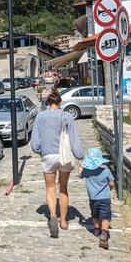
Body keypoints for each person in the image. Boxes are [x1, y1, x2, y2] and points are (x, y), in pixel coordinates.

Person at [30, 88, 84, 237]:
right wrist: (79, 155)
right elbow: (74, 138)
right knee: (63, 188)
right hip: (64, 156)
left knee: (50, 188)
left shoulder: (40, 117)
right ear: (60, 102)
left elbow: (35, 143)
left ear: (48, 103)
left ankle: (53, 216)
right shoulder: (66, 116)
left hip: (48, 155)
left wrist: (41, 150)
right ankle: (64, 221)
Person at [80, 147, 115, 249]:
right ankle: (104, 231)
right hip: (104, 197)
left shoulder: (86, 171)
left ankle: (96, 229)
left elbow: (80, 175)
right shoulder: (106, 170)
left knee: (95, 214)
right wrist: (110, 189)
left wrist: (81, 165)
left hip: (93, 198)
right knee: (105, 216)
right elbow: (112, 183)